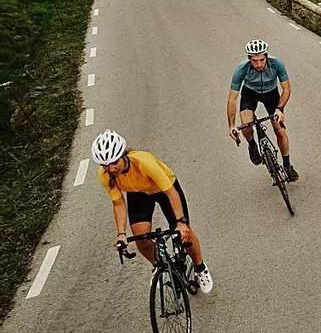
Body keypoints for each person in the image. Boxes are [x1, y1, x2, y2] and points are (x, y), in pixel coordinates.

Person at [92, 129, 213, 293]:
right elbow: (118, 203)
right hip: (138, 194)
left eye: (114, 163)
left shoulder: (144, 162)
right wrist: (121, 234)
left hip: (164, 190)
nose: (111, 168)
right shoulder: (105, 174)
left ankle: (200, 267)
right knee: (141, 239)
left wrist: (181, 223)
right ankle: (160, 265)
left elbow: (171, 193)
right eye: (105, 165)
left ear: (123, 155)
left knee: (185, 235)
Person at [227, 39, 298, 181]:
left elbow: (286, 88)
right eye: (254, 61)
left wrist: (280, 109)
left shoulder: (277, 64)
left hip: (271, 94)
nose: (258, 64)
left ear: (266, 56)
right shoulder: (241, 70)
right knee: (246, 126)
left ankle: (287, 165)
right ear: (249, 59)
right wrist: (232, 126)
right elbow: (232, 99)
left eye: (261, 60)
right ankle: (252, 145)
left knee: (280, 130)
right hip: (250, 94)